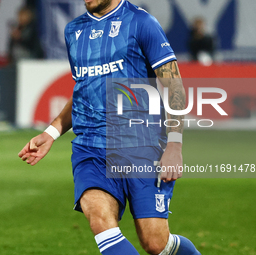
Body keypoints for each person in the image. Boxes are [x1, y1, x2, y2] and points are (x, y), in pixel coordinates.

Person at [19, 1, 201, 254]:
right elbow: (83, 89)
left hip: (143, 144)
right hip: (90, 146)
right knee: (98, 217)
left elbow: (174, 86)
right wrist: (51, 132)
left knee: (156, 243)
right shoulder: (74, 30)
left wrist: (174, 145)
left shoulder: (141, 22)